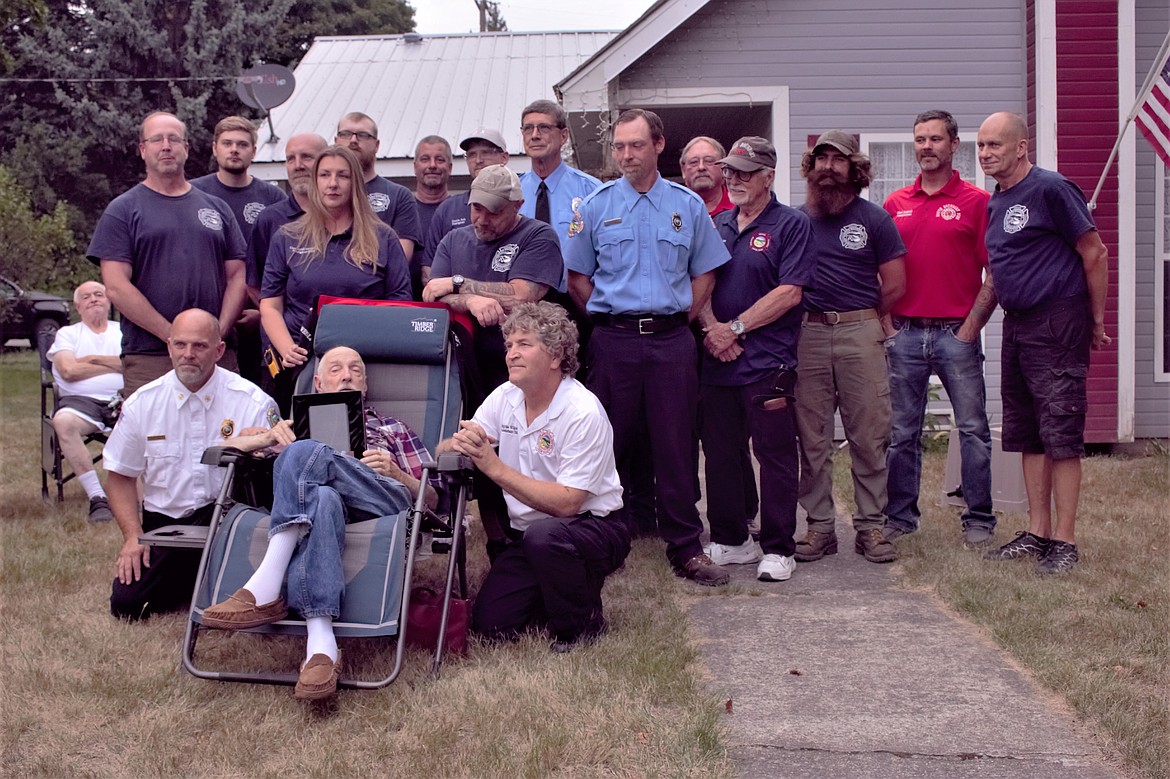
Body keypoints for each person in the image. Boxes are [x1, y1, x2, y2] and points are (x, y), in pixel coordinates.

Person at [200, 345, 441, 700]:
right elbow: (222, 448)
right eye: (336, 369)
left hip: (382, 501)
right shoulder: (293, 426)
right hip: (321, 510)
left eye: (355, 370)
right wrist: (268, 436)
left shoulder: (391, 426)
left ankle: (266, 583)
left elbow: (433, 499)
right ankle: (321, 646)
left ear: (365, 384)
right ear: (317, 382)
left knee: (300, 452)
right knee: (323, 497)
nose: (346, 375)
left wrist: (397, 473)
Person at [565, 108, 731, 586]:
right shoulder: (593, 207)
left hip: (671, 343)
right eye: (619, 147)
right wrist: (606, 313)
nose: (626, 155)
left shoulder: (687, 206)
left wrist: (682, 316)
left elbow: (706, 271)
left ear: (658, 146)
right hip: (614, 341)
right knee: (606, 444)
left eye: (635, 145)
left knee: (677, 445)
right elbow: (577, 276)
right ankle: (603, 542)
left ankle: (685, 546)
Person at [440, 302, 628, 652]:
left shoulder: (582, 411)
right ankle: (553, 588)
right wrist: (457, 443)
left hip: (593, 526)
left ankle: (583, 625)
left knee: (546, 537)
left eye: (524, 344)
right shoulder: (504, 396)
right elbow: (450, 447)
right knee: (490, 627)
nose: (511, 353)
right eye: (509, 345)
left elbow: (569, 502)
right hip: (529, 536)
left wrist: (494, 467)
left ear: (556, 356)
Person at [976, 111, 1110, 574]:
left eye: (995, 145)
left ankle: (1065, 542)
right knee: (1030, 434)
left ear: (1021, 147)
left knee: (1062, 435)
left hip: (1058, 322)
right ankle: (1037, 532)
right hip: (1018, 325)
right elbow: (998, 272)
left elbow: (1094, 251)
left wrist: (1095, 321)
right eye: (981, 146)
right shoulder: (997, 201)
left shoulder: (1052, 189)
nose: (986, 153)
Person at [102, 309, 281, 620]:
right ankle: (197, 581)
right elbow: (119, 476)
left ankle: (208, 580)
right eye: (180, 345)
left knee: (268, 597)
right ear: (169, 346)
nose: (188, 355)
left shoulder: (252, 401)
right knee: (128, 605)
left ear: (219, 350)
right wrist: (133, 537)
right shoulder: (143, 404)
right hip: (169, 527)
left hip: (231, 524)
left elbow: (280, 471)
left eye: (199, 346)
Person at [696, 137, 814, 582]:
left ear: (768, 175)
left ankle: (779, 547)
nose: (734, 179)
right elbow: (700, 281)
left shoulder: (790, 224)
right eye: (731, 171)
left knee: (776, 454)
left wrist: (736, 328)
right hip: (718, 359)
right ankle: (730, 540)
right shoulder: (718, 223)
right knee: (722, 453)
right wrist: (713, 329)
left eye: (745, 172)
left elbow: (790, 291)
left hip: (767, 361)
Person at [882, 110, 997, 546]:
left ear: (953, 145)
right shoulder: (896, 204)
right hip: (905, 334)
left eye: (935, 139)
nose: (926, 147)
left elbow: (996, 272)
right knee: (902, 433)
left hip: (956, 334)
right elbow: (879, 272)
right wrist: (887, 325)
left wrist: (970, 328)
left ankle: (980, 519)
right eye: (919, 139)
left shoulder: (976, 202)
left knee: (972, 428)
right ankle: (900, 517)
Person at [794, 130, 907, 565]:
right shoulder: (795, 219)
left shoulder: (875, 219)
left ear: (853, 169)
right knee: (811, 436)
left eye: (837, 161)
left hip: (862, 332)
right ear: (810, 167)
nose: (828, 168)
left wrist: (861, 318)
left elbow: (896, 284)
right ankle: (820, 527)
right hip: (808, 334)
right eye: (820, 160)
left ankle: (871, 526)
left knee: (869, 433)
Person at [90, 111, 248, 396]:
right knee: (154, 438)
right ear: (142, 149)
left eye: (174, 139)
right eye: (156, 139)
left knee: (227, 437)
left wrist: (216, 334)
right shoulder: (123, 210)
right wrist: (172, 336)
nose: (166, 146)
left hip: (217, 355)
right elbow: (116, 286)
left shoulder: (217, 208)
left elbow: (238, 276)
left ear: (186, 148)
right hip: (151, 355)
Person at [260, 145, 411, 414]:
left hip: (363, 364)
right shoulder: (287, 236)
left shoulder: (383, 237)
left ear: (356, 182)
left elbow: (401, 304)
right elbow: (270, 306)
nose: (333, 184)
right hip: (302, 363)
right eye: (324, 175)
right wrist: (287, 349)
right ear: (314, 182)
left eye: (342, 176)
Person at [422, 164, 563, 391]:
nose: (483, 219)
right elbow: (433, 295)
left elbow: (521, 296)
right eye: (477, 208)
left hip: (519, 369)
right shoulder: (452, 239)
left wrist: (457, 283)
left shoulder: (539, 236)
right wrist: (470, 300)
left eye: (494, 211)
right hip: (461, 366)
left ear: (518, 205)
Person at [192, 115, 288, 387]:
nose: (234, 149)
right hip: (209, 312)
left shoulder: (273, 198)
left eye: (242, 144)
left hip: (261, 317)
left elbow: (283, 260)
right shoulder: (194, 193)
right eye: (227, 143)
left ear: (254, 151)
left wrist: (265, 312)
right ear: (214, 148)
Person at [47, 281, 124, 522]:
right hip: (79, 402)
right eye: (87, 297)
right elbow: (68, 371)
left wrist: (91, 359)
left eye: (99, 294)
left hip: (123, 399)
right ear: (77, 306)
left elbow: (132, 364)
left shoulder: (123, 331)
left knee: (149, 422)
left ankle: (143, 498)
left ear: (108, 300)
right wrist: (113, 363)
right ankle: (97, 497)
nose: (94, 299)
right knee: (63, 421)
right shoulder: (67, 334)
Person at [420, 127, 510, 286]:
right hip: (456, 306)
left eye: (486, 152)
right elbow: (429, 272)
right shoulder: (447, 208)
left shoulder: (517, 203)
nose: (478, 160)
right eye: (472, 154)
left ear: (504, 157)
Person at [246, 133, 330, 301]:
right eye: (290, 159)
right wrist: (279, 318)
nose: (298, 165)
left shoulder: (347, 217)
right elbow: (254, 285)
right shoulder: (269, 220)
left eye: (306, 157)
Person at [335, 112, 420, 262]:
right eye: (346, 134)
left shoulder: (399, 196)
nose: (353, 140)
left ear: (377, 145)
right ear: (336, 141)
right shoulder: (323, 195)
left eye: (363, 135)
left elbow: (400, 257)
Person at [412, 135, 454, 297]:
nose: (432, 165)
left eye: (439, 160)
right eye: (425, 159)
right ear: (415, 166)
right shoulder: (402, 210)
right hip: (405, 302)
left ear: (450, 167)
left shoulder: (463, 210)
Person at [680, 136, 734, 216]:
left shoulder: (741, 209)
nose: (701, 167)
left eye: (709, 161)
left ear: (723, 168)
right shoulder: (670, 209)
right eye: (694, 162)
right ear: (683, 170)